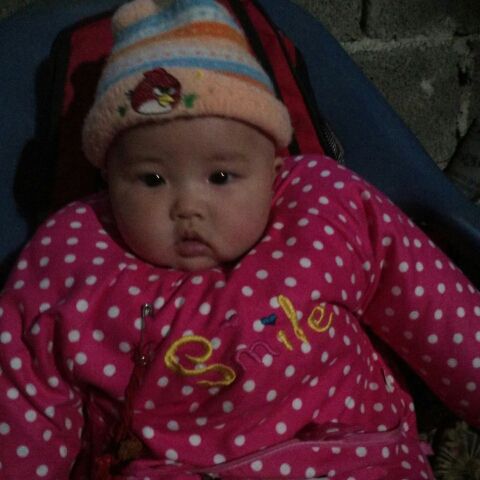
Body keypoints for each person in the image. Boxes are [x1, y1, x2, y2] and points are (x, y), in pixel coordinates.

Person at [0, 0, 479, 478]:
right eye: (152, 179)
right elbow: (22, 409)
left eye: (221, 176)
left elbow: (435, 309)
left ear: (273, 169)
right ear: (108, 177)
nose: (188, 206)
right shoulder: (69, 259)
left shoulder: (324, 207)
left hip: (354, 454)